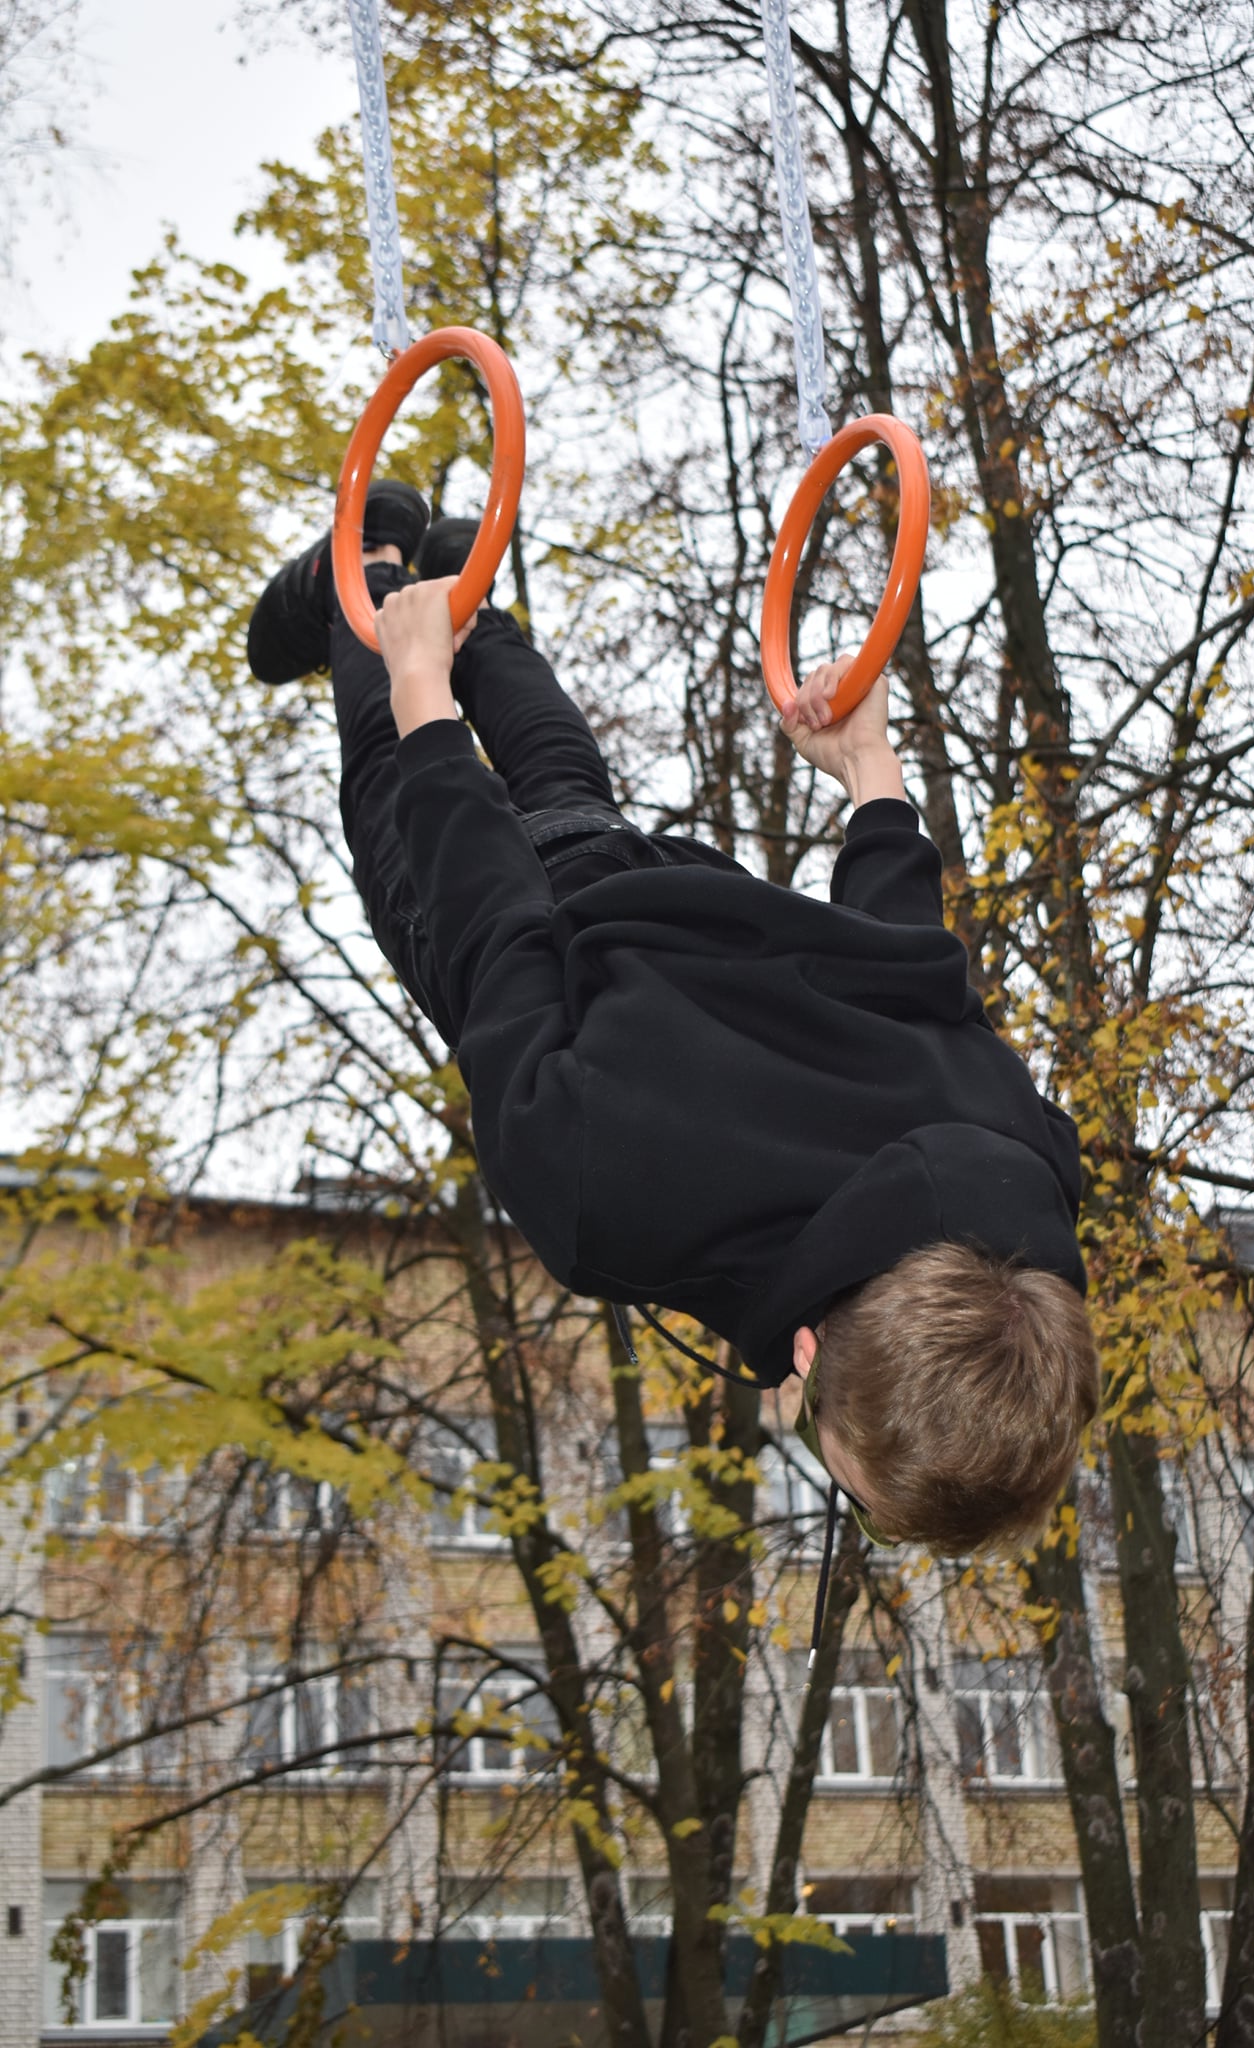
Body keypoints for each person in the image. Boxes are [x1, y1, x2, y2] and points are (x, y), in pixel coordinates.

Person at [248, 485, 1099, 1560]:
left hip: (664, 890)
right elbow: (491, 940)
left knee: (562, 777)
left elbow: (911, 970)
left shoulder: (1027, 1165)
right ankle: (367, 578)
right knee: (393, 786)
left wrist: (871, 773)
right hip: (533, 936)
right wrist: (417, 695)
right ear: (807, 1361)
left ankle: (470, 599)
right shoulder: (608, 1204)